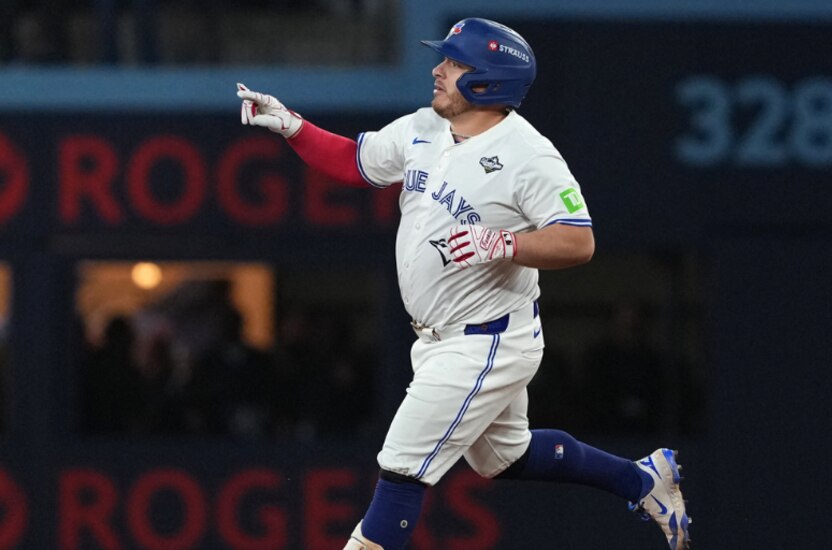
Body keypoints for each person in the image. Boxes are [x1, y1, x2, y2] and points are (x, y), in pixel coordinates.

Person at [236, 17, 691, 550]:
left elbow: (578, 241)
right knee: (506, 458)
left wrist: (504, 243)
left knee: (401, 467)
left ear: (488, 79)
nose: (438, 69)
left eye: (454, 62)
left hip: (487, 339)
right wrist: (291, 125)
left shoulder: (530, 156)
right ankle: (641, 480)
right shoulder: (423, 126)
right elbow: (357, 162)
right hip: (438, 337)